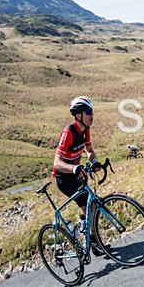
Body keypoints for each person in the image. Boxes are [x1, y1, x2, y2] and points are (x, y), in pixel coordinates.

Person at [52, 96, 104, 255]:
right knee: (91, 206)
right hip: (64, 178)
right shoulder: (68, 133)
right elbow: (56, 163)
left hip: (76, 175)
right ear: (79, 115)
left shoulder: (85, 131)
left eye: (92, 112)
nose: (92, 115)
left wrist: (94, 161)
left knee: (92, 206)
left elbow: (89, 151)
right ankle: (89, 237)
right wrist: (73, 168)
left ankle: (86, 229)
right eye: (88, 112)